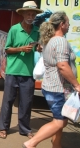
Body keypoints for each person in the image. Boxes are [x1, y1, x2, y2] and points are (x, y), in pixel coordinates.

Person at [23, 11, 80, 148]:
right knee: (60, 122)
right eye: (67, 22)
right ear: (62, 24)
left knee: (59, 119)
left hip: (52, 87)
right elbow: (62, 66)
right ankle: (31, 143)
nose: (69, 24)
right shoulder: (60, 41)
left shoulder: (49, 40)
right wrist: (77, 85)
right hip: (58, 88)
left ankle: (57, 145)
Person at [0, 1, 43, 140]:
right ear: (23, 14)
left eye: (33, 14)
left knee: (26, 102)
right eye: (28, 13)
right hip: (13, 71)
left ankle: (24, 128)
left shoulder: (37, 31)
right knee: (8, 101)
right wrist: (21, 49)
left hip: (28, 72)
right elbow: (7, 49)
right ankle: (3, 128)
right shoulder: (14, 29)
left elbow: (37, 49)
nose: (31, 16)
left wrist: (38, 48)